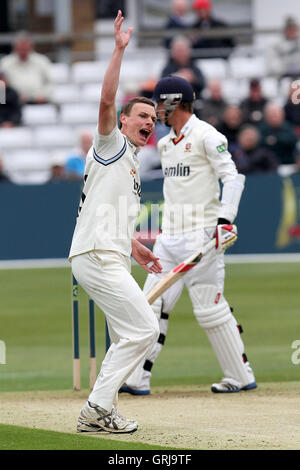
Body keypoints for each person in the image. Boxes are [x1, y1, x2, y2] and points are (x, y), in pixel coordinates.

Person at [120, 74, 257, 395]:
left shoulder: (208, 136)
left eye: (158, 105)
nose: (155, 113)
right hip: (169, 238)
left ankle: (239, 376)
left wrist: (225, 221)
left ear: (173, 102)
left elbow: (233, 178)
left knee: (209, 309)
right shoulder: (166, 144)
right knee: (148, 305)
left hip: (203, 237)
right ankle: (136, 378)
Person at [69, 11, 161, 434]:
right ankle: (96, 408)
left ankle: (101, 410)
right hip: (97, 255)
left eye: (153, 120)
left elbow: (108, 210)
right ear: (124, 122)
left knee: (128, 333)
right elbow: (106, 102)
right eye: (142, 117)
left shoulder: (130, 163)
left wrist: (135, 247)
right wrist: (119, 49)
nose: (149, 123)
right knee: (143, 327)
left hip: (109, 253)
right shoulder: (112, 145)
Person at [0, 32, 53, 104]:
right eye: (21, 49)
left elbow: (51, 83)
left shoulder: (42, 61)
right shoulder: (5, 63)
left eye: (26, 49)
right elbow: (2, 86)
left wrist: (43, 95)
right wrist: (13, 97)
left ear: (31, 47)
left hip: (40, 102)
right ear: (15, 48)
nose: (23, 52)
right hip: (13, 104)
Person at [160, 35, 206, 116]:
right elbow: (161, 87)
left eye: (183, 51)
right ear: (172, 52)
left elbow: (202, 85)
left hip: (193, 107)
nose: (181, 54)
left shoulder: (194, 68)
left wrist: (193, 79)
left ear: (189, 51)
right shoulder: (168, 68)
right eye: (178, 51)